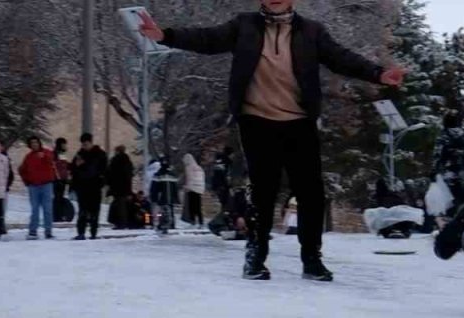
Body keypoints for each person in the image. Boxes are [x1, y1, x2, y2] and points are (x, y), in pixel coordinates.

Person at [138, 0, 405, 281]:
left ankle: (312, 259)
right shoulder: (244, 26)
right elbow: (207, 38)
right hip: (257, 121)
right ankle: (255, 256)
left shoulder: (311, 32)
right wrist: (165, 35)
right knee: (262, 192)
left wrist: (378, 73)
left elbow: (342, 58)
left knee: (311, 193)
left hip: (299, 122)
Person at [18, 137, 59, 239]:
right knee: (34, 209)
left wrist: (44, 156)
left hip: (46, 185)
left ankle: (48, 231)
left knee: (47, 209)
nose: (34, 144)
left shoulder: (47, 152)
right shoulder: (28, 157)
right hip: (33, 186)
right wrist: (27, 181)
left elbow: (52, 160)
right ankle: (33, 231)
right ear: (30, 145)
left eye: (36, 142)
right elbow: (22, 170)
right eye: (32, 143)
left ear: (39, 143)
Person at [70, 133, 108, 240]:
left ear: (91, 142)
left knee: (94, 210)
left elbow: (102, 170)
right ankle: (81, 232)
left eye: (86, 144)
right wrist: (76, 166)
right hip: (82, 187)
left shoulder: (100, 154)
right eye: (83, 144)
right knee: (82, 210)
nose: (84, 146)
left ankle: (93, 232)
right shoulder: (79, 154)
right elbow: (73, 169)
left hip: (95, 186)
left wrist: (102, 181)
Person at [432, 111, 464, 220]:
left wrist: (434, 169)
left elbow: (438, 153)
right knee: (462, 196)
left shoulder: (443, 135)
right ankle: (463, 218)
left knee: (449, 198)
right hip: (462, 170)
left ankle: (451, 219)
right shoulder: (463, 134)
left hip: (448, 170)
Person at [106, 146, 135, 229]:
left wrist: (109, 183)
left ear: (118, 151)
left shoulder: (115, 160)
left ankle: (120, 223)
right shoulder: (127, 161)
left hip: (117, 186)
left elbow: (110, 173)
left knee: (119, 205)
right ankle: (121, 222)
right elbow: (129, 175)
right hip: (124, 187)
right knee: (121, 205)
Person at [52, 137, 74, 222]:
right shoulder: (55, 154)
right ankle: (57, 217)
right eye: (64, 144)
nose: (65, 146)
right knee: (58, 198)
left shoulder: (61, 154)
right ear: (60, 144)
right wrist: (58, 178)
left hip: (62, 179)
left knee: (60, 197)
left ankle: (60, 215)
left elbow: (64, 165)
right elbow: (55, 167)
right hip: (57, 180)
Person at [182, 153, 206, 227]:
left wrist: (186, 187)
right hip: (200, 189)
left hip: (192, 188)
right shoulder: (199, 168)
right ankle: (201, 221)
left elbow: (189, 178)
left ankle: (193, 221)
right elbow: (203, 178)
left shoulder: (188, 167)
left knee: (192, 206)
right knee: (198, 206)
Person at [210, 146, 234, 213]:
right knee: (225, 203)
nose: (233, 156)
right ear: (229, 153)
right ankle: (223, 218)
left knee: (221, 202)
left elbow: (214, 173)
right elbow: (227, 175)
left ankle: (221, 217)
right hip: (223, 185)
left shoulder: (218, 160)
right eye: (232, 154)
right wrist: (229, 185)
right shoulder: (228, 161)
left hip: (216, 184)